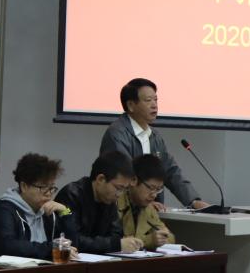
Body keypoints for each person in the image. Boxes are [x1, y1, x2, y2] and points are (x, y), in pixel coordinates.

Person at [99, 78, 208, 210]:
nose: (154, 105)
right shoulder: (117, 134)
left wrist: (193, 201)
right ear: (131, 105)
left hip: (150, 210)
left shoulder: (155, 137)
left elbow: (170, 171)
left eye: (156, 100)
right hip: (122, 212)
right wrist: (145, 202)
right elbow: (123, 176)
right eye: (148, 100)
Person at [0, 153, 78, 260]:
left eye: (52, 188)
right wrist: (50, 249)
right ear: (24, 186)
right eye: (43, 187)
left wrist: (65, 212)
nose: (49, 194)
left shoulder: (48, 211)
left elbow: (73, 247)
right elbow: (7, 246)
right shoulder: (4, 210)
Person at [54, 151, 143, 254]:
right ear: (101, 179)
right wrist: (116, 244)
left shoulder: (109, 199)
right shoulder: (71, 195)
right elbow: (72, 240)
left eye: (124, 189)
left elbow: (116, 235)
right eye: (119, 188)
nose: (120, 194)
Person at [119, 155, 175, 250]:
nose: (154, 195)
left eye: (158, 189)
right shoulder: (115, 202)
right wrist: (149, 240)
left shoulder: (148, 208)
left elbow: (170, 238)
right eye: (151, 188)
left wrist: (163, 236)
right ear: (133, 180)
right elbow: (114, 241)